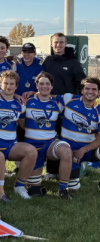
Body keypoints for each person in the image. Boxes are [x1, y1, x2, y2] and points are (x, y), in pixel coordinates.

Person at [0, 71, 37, 199]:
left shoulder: (20, 104)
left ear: (16, 87)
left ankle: (19, 186)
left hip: (11, 145)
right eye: (5, 83)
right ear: (0, 84)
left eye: (12, 84)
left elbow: (23, 125)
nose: (8, 86)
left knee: (31, 152)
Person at [41, 32, 87, 178]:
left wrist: (78, 104)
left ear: (65, 44)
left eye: (61, 42)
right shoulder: (47, 61)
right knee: (51, 137)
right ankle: (52, 171)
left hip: (68, 108)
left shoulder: (73, 62)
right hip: (50, 107)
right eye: (56, 42)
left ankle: (70, 170)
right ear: (51, 44)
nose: (58, 45)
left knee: (66, 138)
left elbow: (81, 84)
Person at [21, 72, 72, 199]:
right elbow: (21, 123)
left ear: (52, 86)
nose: (44, 86)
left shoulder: (57, 104)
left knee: (66, 150)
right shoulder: (27, 101)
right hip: (32, 147)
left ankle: (63, 189)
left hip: (50, 143)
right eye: (41, 83)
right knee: (34, 187)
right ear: (36, 85)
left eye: (47, 84)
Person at [55, 77, 100, 193]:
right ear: (82, 90)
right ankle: (72, 176)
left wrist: (84, 149)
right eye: (87, 88)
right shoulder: (69, 99)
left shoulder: (99, 110)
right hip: (69, 152)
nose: (90, 92)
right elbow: (47, 96)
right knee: (73, 188)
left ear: (98, 92)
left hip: (87, 151)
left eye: (94, 89)